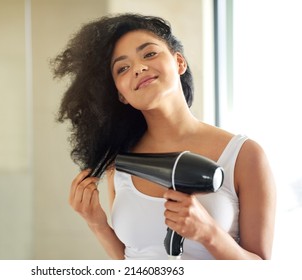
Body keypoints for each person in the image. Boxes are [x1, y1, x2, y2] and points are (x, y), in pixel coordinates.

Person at [51, 13, 276, 260]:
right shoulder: (122, 163)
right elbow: (132, 260)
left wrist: (209, 233)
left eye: (149, 54)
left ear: (179, 62)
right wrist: (97, 224)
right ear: (121, 95)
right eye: (123, 68)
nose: (139, 68)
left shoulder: (243, 155)